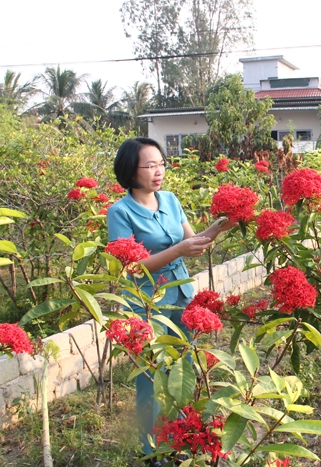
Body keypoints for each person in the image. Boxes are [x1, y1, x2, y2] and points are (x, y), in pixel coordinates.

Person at [106, 137, 231, 461]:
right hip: (148, 303)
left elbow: (194, 241)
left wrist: (220, 226)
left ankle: (179, 438)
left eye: (161, 163)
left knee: (183, 368)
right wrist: (176, 251)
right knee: (151, 376)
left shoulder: (171, 200)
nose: (158, 171)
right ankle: (152, 451)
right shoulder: (120, 212)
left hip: (181, 295)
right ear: (130, 171)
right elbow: (130, 267)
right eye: (150, 165)